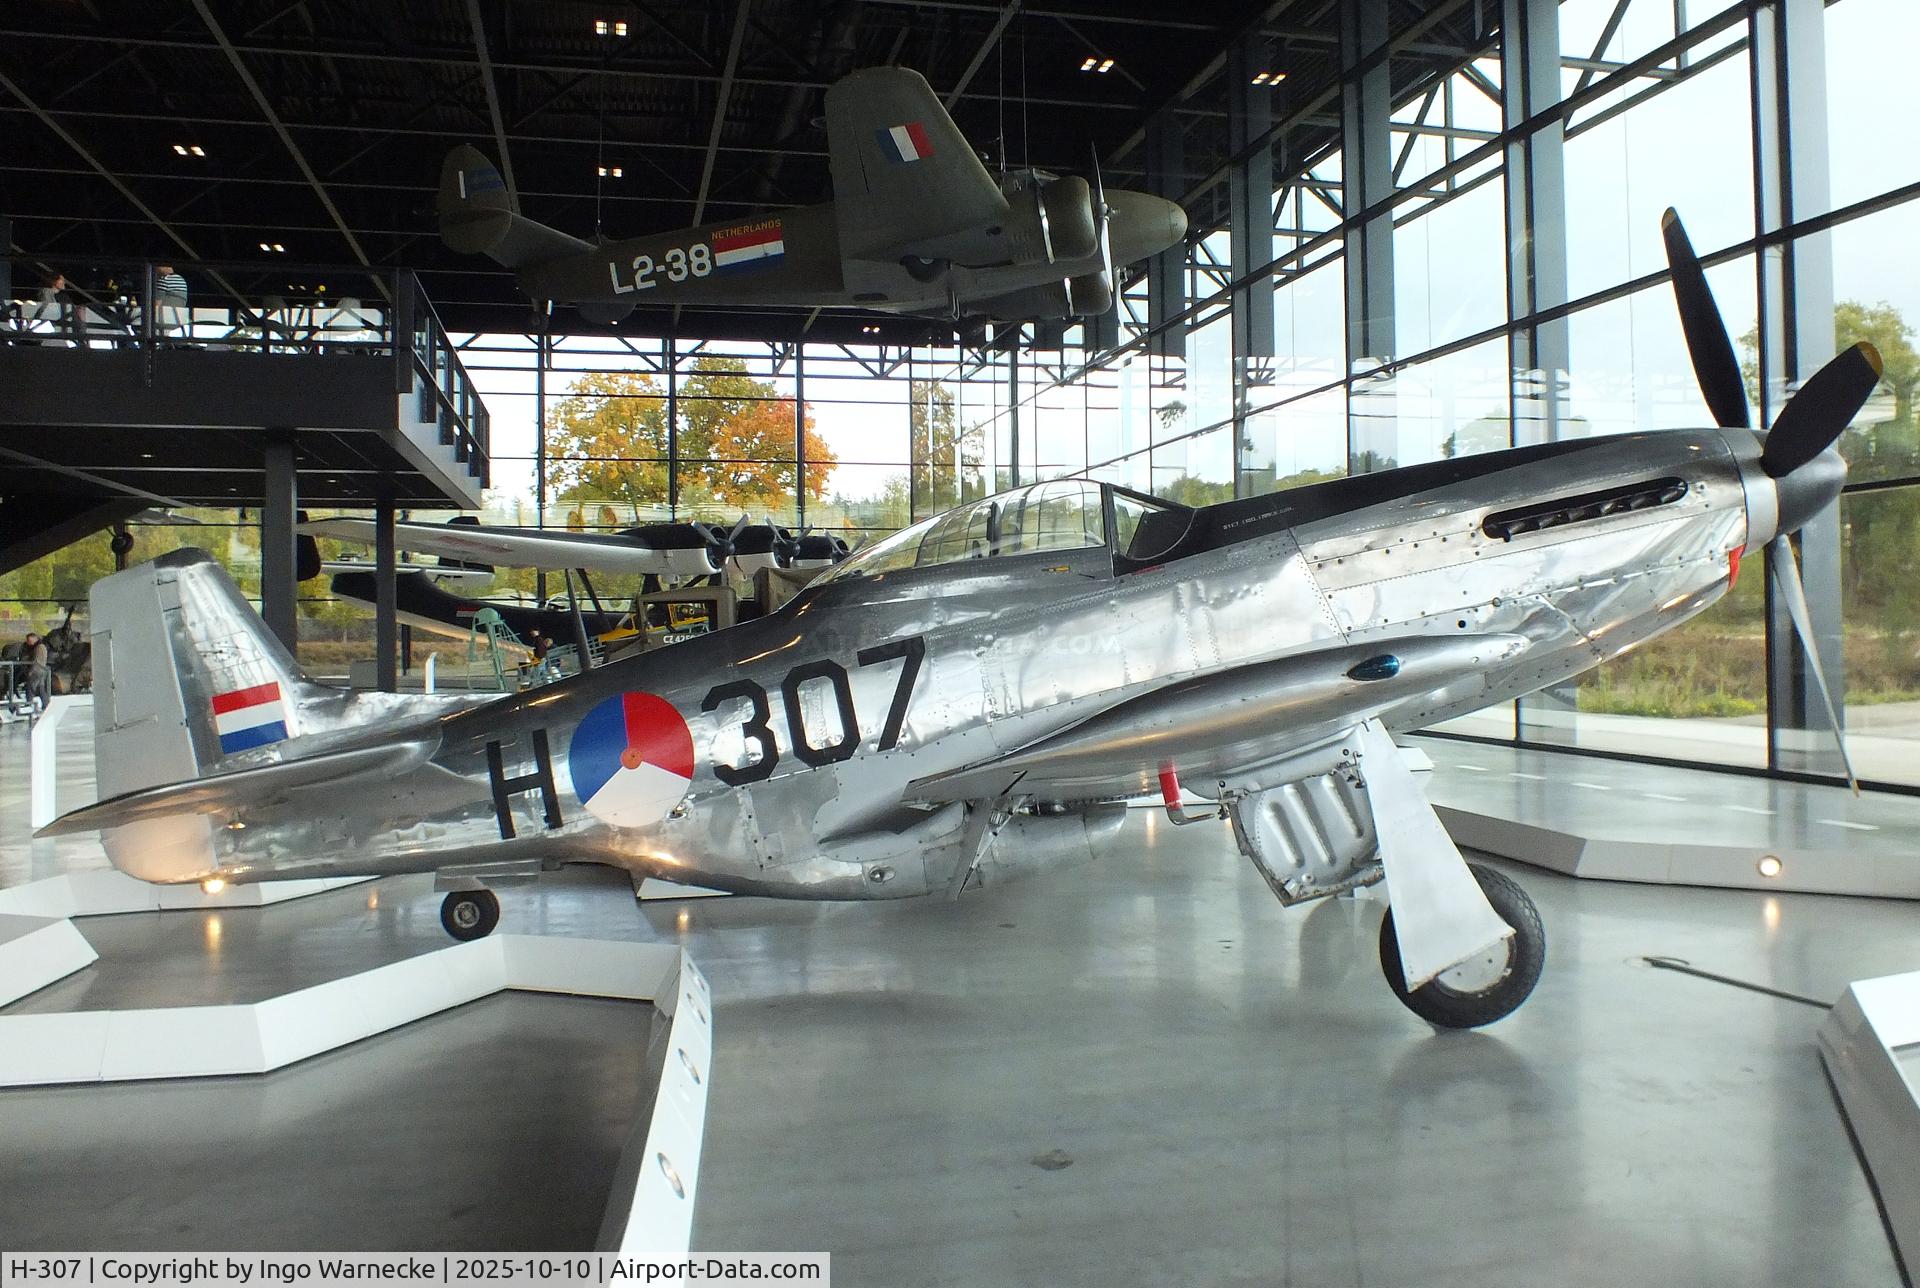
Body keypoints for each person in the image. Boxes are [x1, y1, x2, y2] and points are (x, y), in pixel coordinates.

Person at [152, 264, 189, 338]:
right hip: (178, 320)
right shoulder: (181, 280)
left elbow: (156, 305)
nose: (155, 270)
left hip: (163, 321)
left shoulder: (164, 280)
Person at [22, 631, 52, 713]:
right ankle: (46, 705)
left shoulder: (39, 647)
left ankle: (29, 704)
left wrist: (31, 672)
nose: (28, 642)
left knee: (30, 687)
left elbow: (37, 661)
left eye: (29, 640)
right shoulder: (37, 647)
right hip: (40, 671)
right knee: (40, 688)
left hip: (37, 671)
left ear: (35, 639)